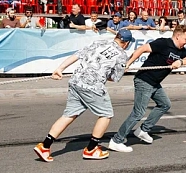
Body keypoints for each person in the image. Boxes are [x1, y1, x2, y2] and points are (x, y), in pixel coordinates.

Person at [33, 29, 134, 162]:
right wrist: (123, 68)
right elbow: (114, 78)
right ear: (126, 43)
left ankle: (45, 146)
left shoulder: (99, 43)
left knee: (69, 115)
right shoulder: (121, 55)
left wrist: (60, 68)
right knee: (106, 114)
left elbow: (77, 55)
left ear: (116, 37)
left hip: (76, 81)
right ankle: (91, 149)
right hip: (92, 86)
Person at [108, 25, 186, 152]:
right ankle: (116, 140)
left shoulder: (180, 50)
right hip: (144, 79)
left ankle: (143, 130)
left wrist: (181, 62)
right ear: (178, 36)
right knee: (138, 112)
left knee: (164, 104)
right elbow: (142, 49)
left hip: (155, 83)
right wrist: (128, 64)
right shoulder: (163, 43)